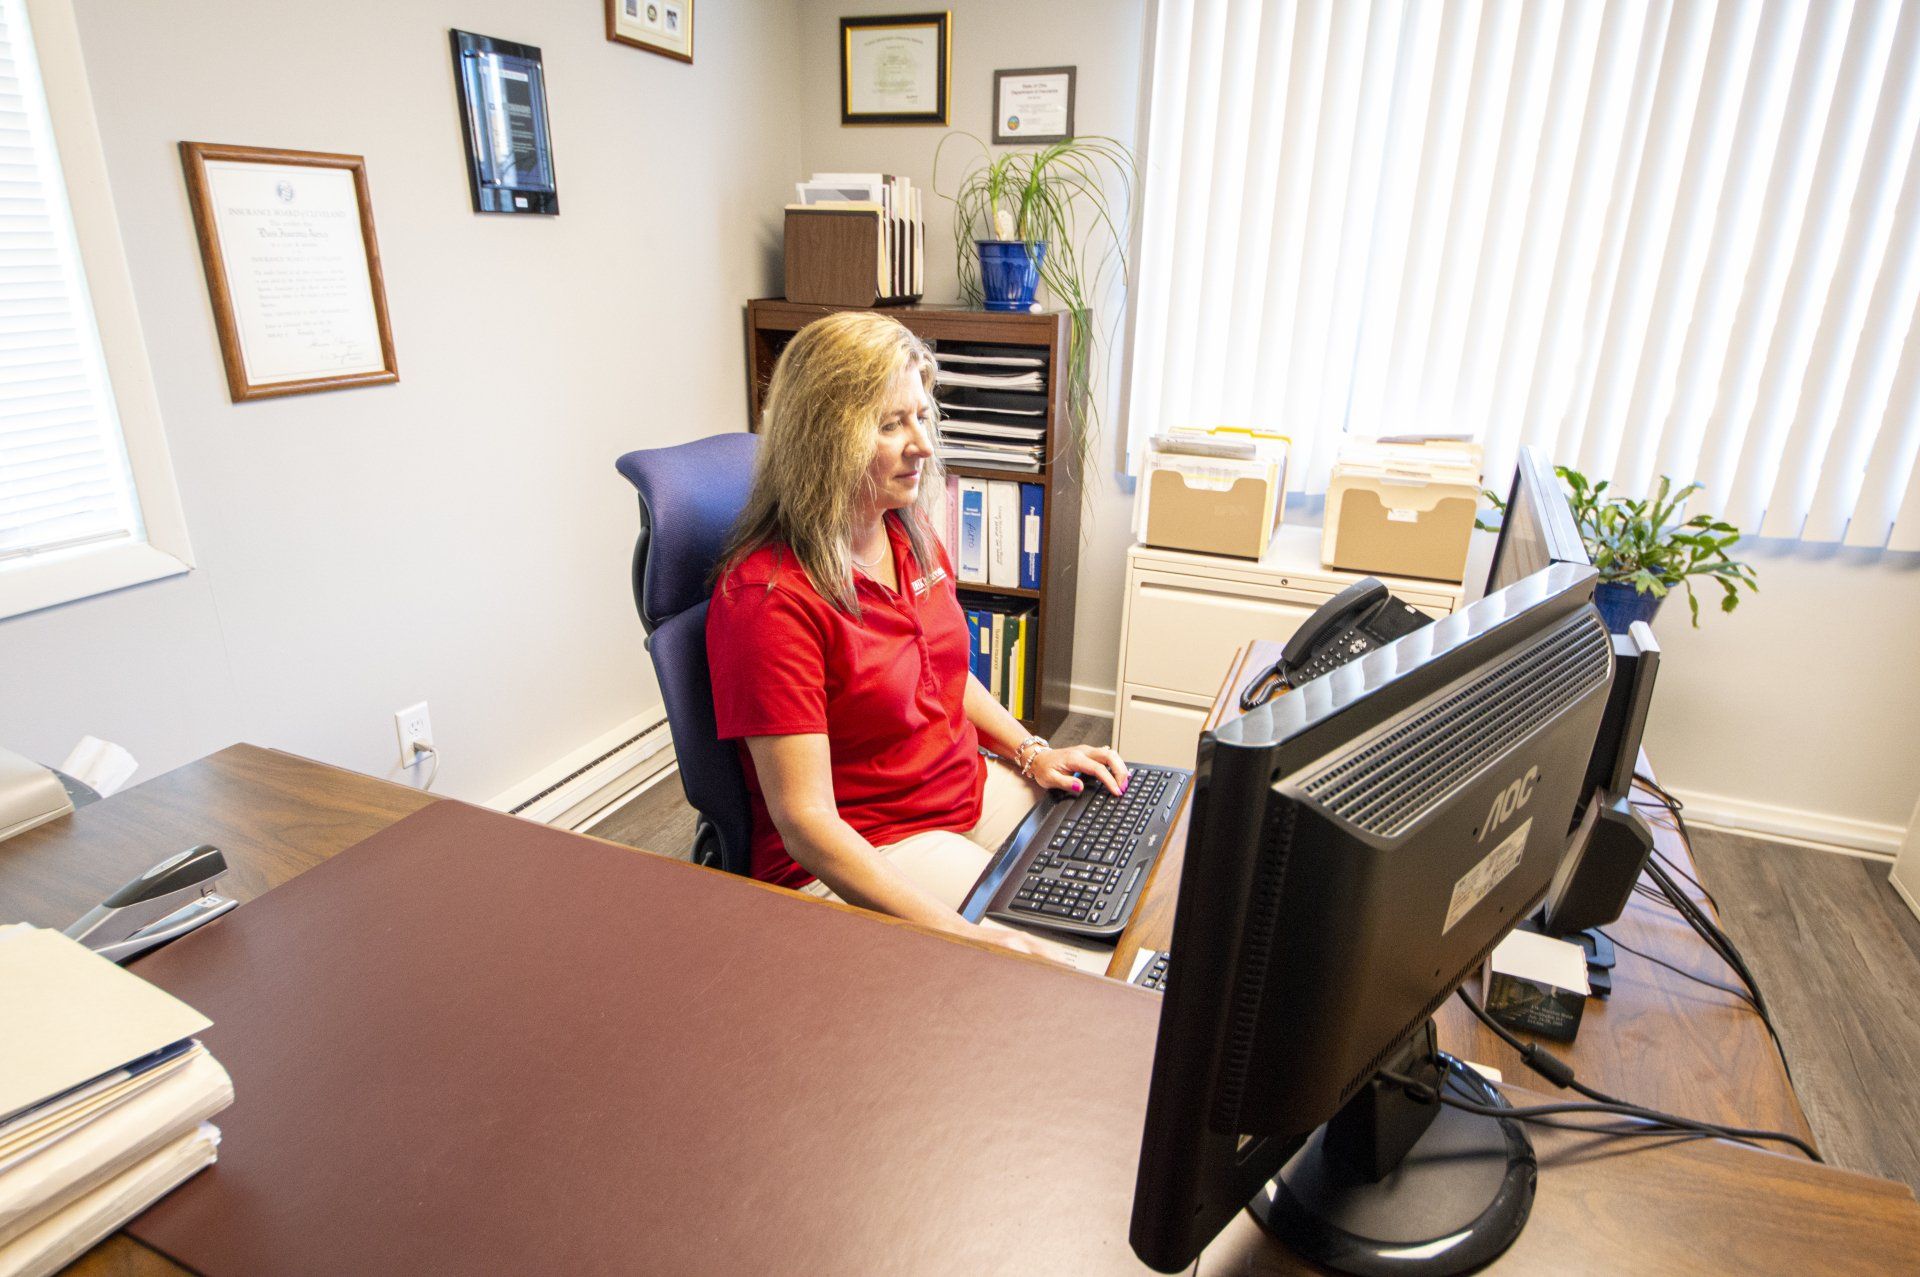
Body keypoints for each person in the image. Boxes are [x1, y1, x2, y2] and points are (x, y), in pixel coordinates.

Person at [706, 311, 1128, 961]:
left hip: (959, 792)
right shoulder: (766, 600)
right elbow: (807, 825)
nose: (922, 443)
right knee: (1068, 961)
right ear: (825, 437)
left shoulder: (906, 533)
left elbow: (946, 672)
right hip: (867, 842)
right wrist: (970, 939)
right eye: (890, 423)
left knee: (1113, 865)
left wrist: (1032, 750)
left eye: (922, 416)